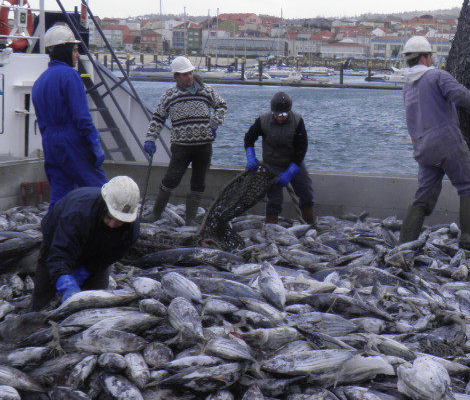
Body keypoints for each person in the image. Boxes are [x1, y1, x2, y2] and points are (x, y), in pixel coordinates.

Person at [399, 36, 470, 247]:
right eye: (430, 56)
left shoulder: (407, 86)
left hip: (423, 149)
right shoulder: (437, 76)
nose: (432, 60)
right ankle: (467, 237)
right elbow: (460, 94)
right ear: (423, 58)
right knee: (469, 187)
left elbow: (426, 108)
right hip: (447, 142)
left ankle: (404, 244)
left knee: (423, 196)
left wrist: (449, 107)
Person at [31, 176, 141, 311]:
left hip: (96, 250)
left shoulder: (131, 230)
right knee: (43, 298)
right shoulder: (77, 213)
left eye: (119, 221)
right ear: (104, 204)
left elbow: (110, 256)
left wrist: (86, 270)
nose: (112, 225)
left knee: (96, 301)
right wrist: (65, 281)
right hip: (57, 240)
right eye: (109, 217)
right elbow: (60, 253)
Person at [143, 56, 227, 225]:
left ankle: (190, 219)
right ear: (176, 77)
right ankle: (156, 213)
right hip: (180, 146)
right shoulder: (169, 95)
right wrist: (151, 138)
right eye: (184, 74)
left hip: (203, 146)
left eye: (190, 73)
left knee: (199, 182)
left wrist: (214, 123)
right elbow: (158, 118)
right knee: (171, 179)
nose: (189, 77)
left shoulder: (206, 91)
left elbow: (222, 106)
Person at [31, 23, 106, 206]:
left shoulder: (39, 82)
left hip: (50, 142)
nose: (77, 55)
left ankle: (54, 231)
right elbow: (81, 117)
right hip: (71, 140)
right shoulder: (70, 76)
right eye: (74, 50)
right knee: (101, 193)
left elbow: (42, 123)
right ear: (64, 50)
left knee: (60, 195)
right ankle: (108, 232)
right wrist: (94, 143)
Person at [244, 91, 317, 225]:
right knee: (274, 200)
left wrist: (290, 173)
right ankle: (271, 225)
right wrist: (250, 156)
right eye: (276, 114)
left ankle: (310, 224)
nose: (279, 117)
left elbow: (302, 148)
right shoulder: (263, 120)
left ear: (289, 111)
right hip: (272, 165)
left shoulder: (297, 121)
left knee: (307, 194)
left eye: (283, 115)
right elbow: (249, 138)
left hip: (294, 163)